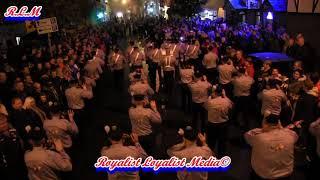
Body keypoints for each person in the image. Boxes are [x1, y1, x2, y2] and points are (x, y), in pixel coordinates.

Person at [245, 114, 298, 180]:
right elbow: (295, 137)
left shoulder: (258, 138)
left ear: (264, 123)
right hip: (287, 175)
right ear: (279, 123)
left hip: (264, 175)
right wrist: (281, 129)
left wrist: (262, 130)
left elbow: (247, 136)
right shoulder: (290, 135)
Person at [204, 85, 233, 157]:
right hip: (223, 125)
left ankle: (209, 157)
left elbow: (205, 107)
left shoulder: (210, 101)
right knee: (222, 143)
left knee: (211, 143)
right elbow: (231, 106)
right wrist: (225, 96)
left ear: (215, 92)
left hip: (212, 125)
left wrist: (210, 97)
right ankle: (220, 157)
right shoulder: (226, 101)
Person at [0, 113, 28, 180]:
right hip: (10, 172)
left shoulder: (12, 131)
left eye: (5, 122)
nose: (5, 125)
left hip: (22, 165)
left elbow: (20, 143)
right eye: (1, 124)